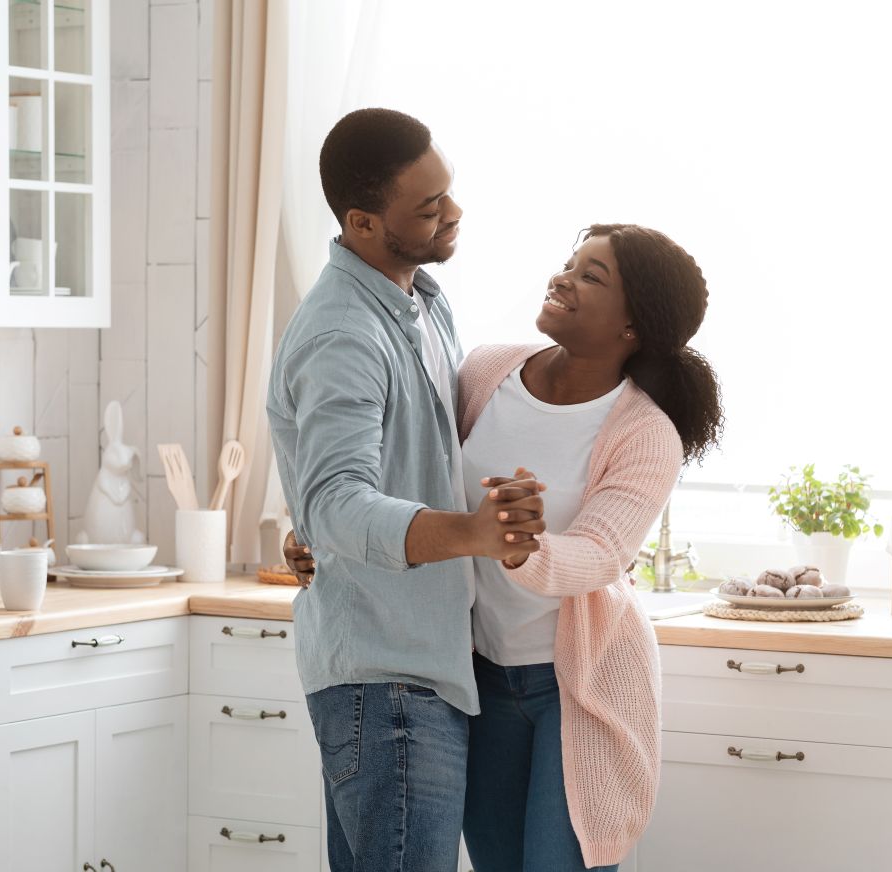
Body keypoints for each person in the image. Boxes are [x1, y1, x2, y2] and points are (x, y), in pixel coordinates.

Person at [289, 223, 723, 871]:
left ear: (632, 326)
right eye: (570, 264)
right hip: (475, 679)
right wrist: (322, 531)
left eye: (591, 276)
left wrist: (520, 549)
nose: (563, 279)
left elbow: (602, 554)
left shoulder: (643, 430)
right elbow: (400, 471)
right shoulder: (487, 371)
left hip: (576, 688)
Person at [266, 108, 547, 872]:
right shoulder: (345, 333)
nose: (452, 213)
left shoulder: (421, 300)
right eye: (427, 208)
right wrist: (474, 533)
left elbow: (350, 491)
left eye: (447, 192)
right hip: (384, 684)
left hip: (416, 670)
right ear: (361, 222)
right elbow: (338, 503)